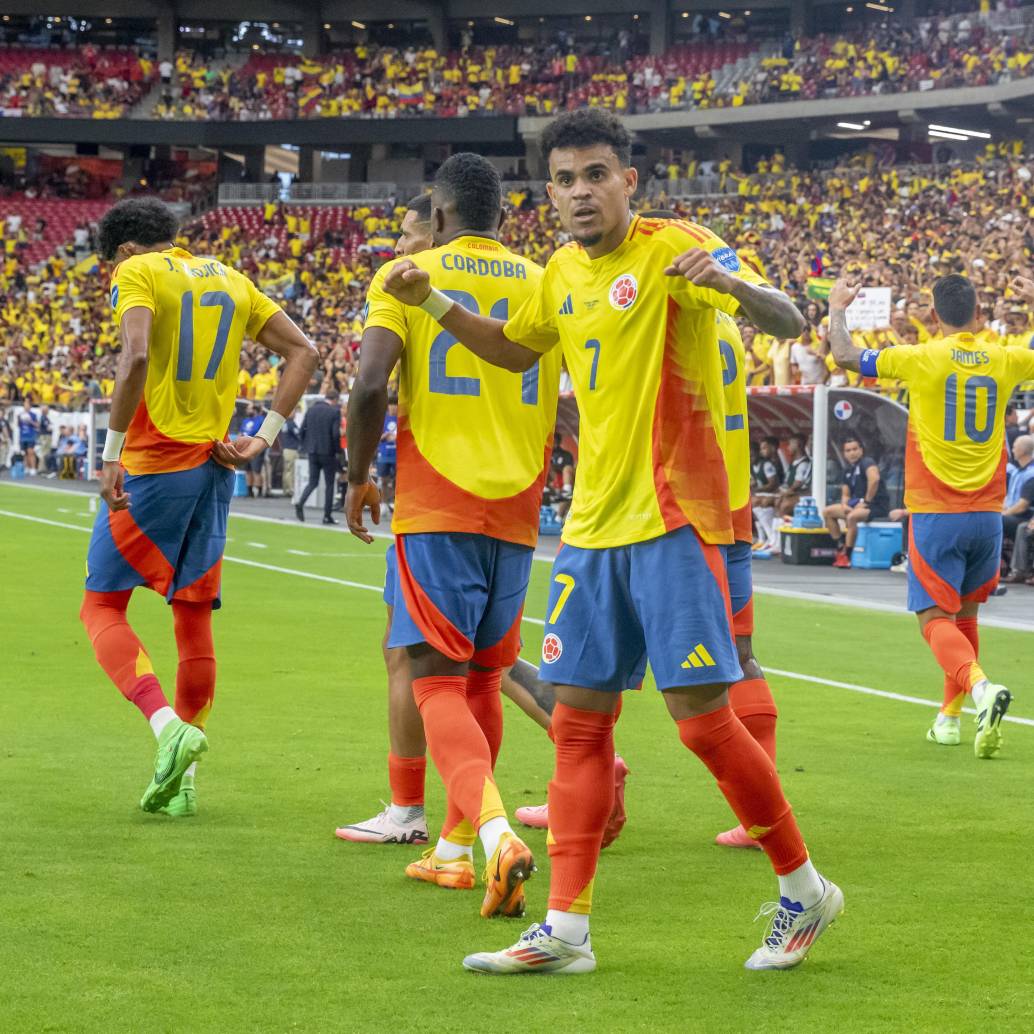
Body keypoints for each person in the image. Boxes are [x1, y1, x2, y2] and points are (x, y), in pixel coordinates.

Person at [380, 110, 841, 974]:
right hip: (588, 533)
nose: (581, 192)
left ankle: (805, 889)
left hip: (673, 523)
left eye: (597, 174)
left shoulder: (677, 248)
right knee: (578, 729)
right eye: (564, 179)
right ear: (547, 193)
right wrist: (433, 304)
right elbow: (516, 352)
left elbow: (788, 317)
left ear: (631, 180)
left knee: (702, 724)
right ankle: (566, 931)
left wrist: (735, 288)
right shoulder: (556, 271)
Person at [345, 153, 562, 919]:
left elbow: (371, 384)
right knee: (481, 681)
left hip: (438, 499)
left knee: (432, 677)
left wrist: (358, 475)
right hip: (520, 506)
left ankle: (497, 836)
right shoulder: (546, 279)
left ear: (437, 214)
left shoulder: (405, 274)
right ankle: (452, 849)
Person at [79, 197, 317, 817]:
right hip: (217, 468)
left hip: (157, 463)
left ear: (126, 249)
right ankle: (184, 786)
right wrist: (262, 438)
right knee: (193, 617)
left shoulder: (137, 273)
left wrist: (110, 454)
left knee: (101, 605)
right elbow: (304, 353)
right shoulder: (232, 279)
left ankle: (167, 729)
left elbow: (133, 357)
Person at [829, 273, 1034, 757]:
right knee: (966, 616)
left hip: (937, 511)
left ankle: (981, 691)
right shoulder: (1005, 356)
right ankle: (949, 718)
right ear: (978, 310)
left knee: (931, 619)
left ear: (935, 314)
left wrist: (838, 308)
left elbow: (845, 356)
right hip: (988, 514)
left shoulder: (922, 357)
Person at [823, 435, 891, 568]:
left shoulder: (867, 462)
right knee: (827, 512)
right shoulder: (847, 470)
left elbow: (874, 479)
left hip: (876, 505)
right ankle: (840, 546)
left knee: (852, 517)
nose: (852, 453)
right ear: (844, 453)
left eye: (854, 449)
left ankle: (847, 556)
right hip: (856, 505)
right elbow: (845, 494)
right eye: (848, 450)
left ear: (861, 450)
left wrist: (866, 501)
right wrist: (845, 505)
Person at [297, 389, 342, 524]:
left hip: (312, 451)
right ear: (334, 400)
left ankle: (300, 502)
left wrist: (306, 446)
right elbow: (335, 434)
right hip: (328, 452)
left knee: (313, 482)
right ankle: (327, 516)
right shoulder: (334, 412)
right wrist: (338, 450)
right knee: (329, 485)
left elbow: (302, 430)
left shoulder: (311, 410)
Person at [280, 406, 302, 498]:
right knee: (291, 470)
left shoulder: (284, 423)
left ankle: (285, 489)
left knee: (286, 470)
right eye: (293, 412)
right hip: (292, 449)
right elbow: (298, 434)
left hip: (286, 449)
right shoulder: (291, 423)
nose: (295, 414)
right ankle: (290, 489)